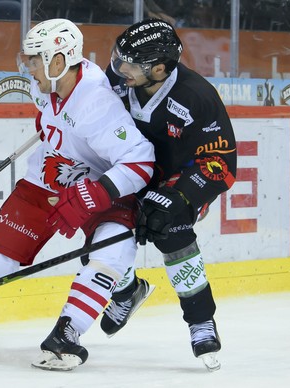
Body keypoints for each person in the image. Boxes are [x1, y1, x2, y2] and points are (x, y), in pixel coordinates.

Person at [0, 18, 155, 371]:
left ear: (59, 61)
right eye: (27, 59)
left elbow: (140, 161)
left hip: (103, 186)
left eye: (35, 59)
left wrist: (96, 194)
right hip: (48, 176)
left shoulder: (97, 103)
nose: (28, 67)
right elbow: (52, 123)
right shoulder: (41, 85)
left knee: (111, 248)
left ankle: (68, 333)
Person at [101, 18, 237, 372]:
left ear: (159, 69)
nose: (120, 68)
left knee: (171, 232)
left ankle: (200, 321)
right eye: (120, 58)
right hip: (132, 168)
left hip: (179, 177)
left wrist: (178, 199)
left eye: (131, 63)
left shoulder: (197, 96)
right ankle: (126, 290)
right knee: (97, 219)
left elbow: (220, 163)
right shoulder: (119, 79)